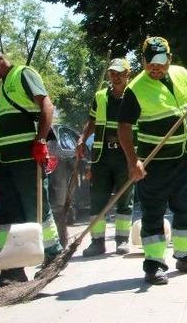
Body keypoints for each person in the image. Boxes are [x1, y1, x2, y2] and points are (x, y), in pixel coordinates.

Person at [0, 43, 63, 291]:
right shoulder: (3, 86)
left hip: (26, 161)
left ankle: (54, 258)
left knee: (36, 211)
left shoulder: (23, 74)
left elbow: (47, 106)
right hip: (6, 162)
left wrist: (41, 141)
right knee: (8, 216)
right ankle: (12, 270)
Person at [117, 36, 187, 285]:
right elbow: (124, 128)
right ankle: (154, 265)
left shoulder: (182, 74)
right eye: (150, 63)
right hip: (153, 163)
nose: (155, 68)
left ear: (170, 59)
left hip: (184, 159)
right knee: (154, 212)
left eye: (161, 62)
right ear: (143, 61)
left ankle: (186, 256)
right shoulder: (135, 89)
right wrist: (132, 161)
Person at [75, 57, 135, 257]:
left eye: (120, 73)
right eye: (112, 73)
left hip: (125, 156)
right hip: (101, 157)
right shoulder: (100, 96)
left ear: (128, 74)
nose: (115, 77)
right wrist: (82, 139)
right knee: (97, 199)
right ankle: (97, 242)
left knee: (124, 198)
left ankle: (122, 240)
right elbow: (91, 121)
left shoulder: (134, 95)